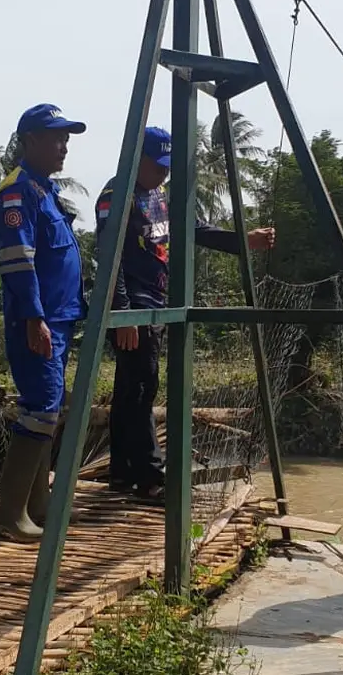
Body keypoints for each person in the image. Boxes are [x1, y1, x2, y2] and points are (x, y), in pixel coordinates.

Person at [95, 126, 276, 503]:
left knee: (131, 387)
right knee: (143, 387)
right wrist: (122, 313)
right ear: (136, 158)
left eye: (167, 166)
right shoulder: (117, 198)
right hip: (134, 304)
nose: (163, 173)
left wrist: (245, 241)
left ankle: (122, 473)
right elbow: (110, 259)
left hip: (156, 300)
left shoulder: (161, 196)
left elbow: (198, 231)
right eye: (157, 165)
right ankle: (149, 478)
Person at [0, 103, 87, 542]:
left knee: (46, 409)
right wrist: (34, 318)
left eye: (66, 138)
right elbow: (17, 261)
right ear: (29, 140)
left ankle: (37, 506)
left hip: (60, 321)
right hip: (38, 321)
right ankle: (9, 514)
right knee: (41, 407)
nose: (63, 146)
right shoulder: (18, 192)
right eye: (55, 137)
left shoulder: (45, 191)